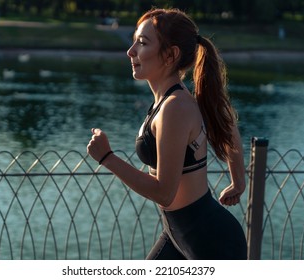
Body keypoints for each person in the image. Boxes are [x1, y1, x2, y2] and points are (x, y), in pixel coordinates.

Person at [87, 8, 247, 260]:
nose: (131, 52)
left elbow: (164, 192)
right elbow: (228, 125)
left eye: (142, 43)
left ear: (171, 54)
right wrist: (238, 182)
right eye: (133, 42)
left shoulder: (176, 107)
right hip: (178, 234)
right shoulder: (170, 101)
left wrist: (107, 157)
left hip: (211, 242)